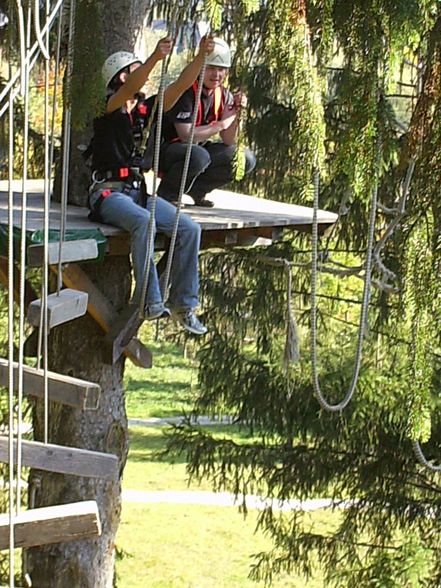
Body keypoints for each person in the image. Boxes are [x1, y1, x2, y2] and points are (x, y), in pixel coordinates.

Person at [88, 36, 215, 336]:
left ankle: (185, 305)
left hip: (137, 193)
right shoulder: (109, 106)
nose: (143, 75)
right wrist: (156, 58)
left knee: (189, 229)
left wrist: (200, 57)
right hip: (109, 192)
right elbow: (131, 87)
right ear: (122, 76)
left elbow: (179, 88)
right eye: (136, 69)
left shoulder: (144, 109)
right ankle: (149, 299)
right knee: (144, 222)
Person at [158, 37, 256, 208]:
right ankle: (167, 193)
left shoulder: (223, 95)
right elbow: (186, 134)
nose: (216, 75)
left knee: (245, 158)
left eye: (221, 69)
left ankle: (197, 189)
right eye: (211, 68)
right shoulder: (187, 91)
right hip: (170, 150)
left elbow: (228, 140)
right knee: (199, 156)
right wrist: (219, 125)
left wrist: (235, 117)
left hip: (198, 150)